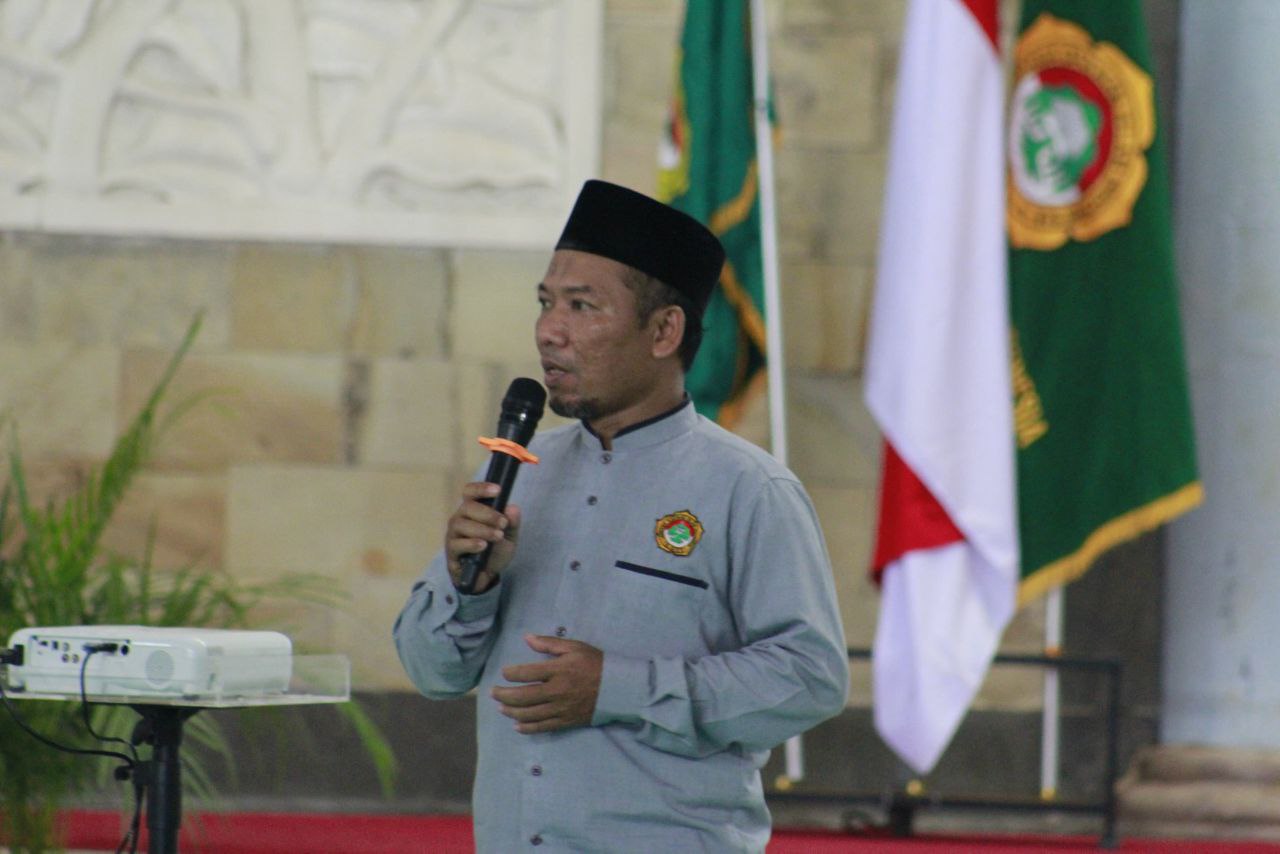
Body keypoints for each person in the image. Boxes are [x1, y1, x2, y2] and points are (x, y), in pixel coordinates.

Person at [394, 179, 849, 852]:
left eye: (582, 306)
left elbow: (810, 679)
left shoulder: (748, 489)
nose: (549, 331)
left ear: (664, 331)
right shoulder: (520, 471)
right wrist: (472, 588)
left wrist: (620, 688)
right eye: (546, 303)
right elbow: (434, 674)